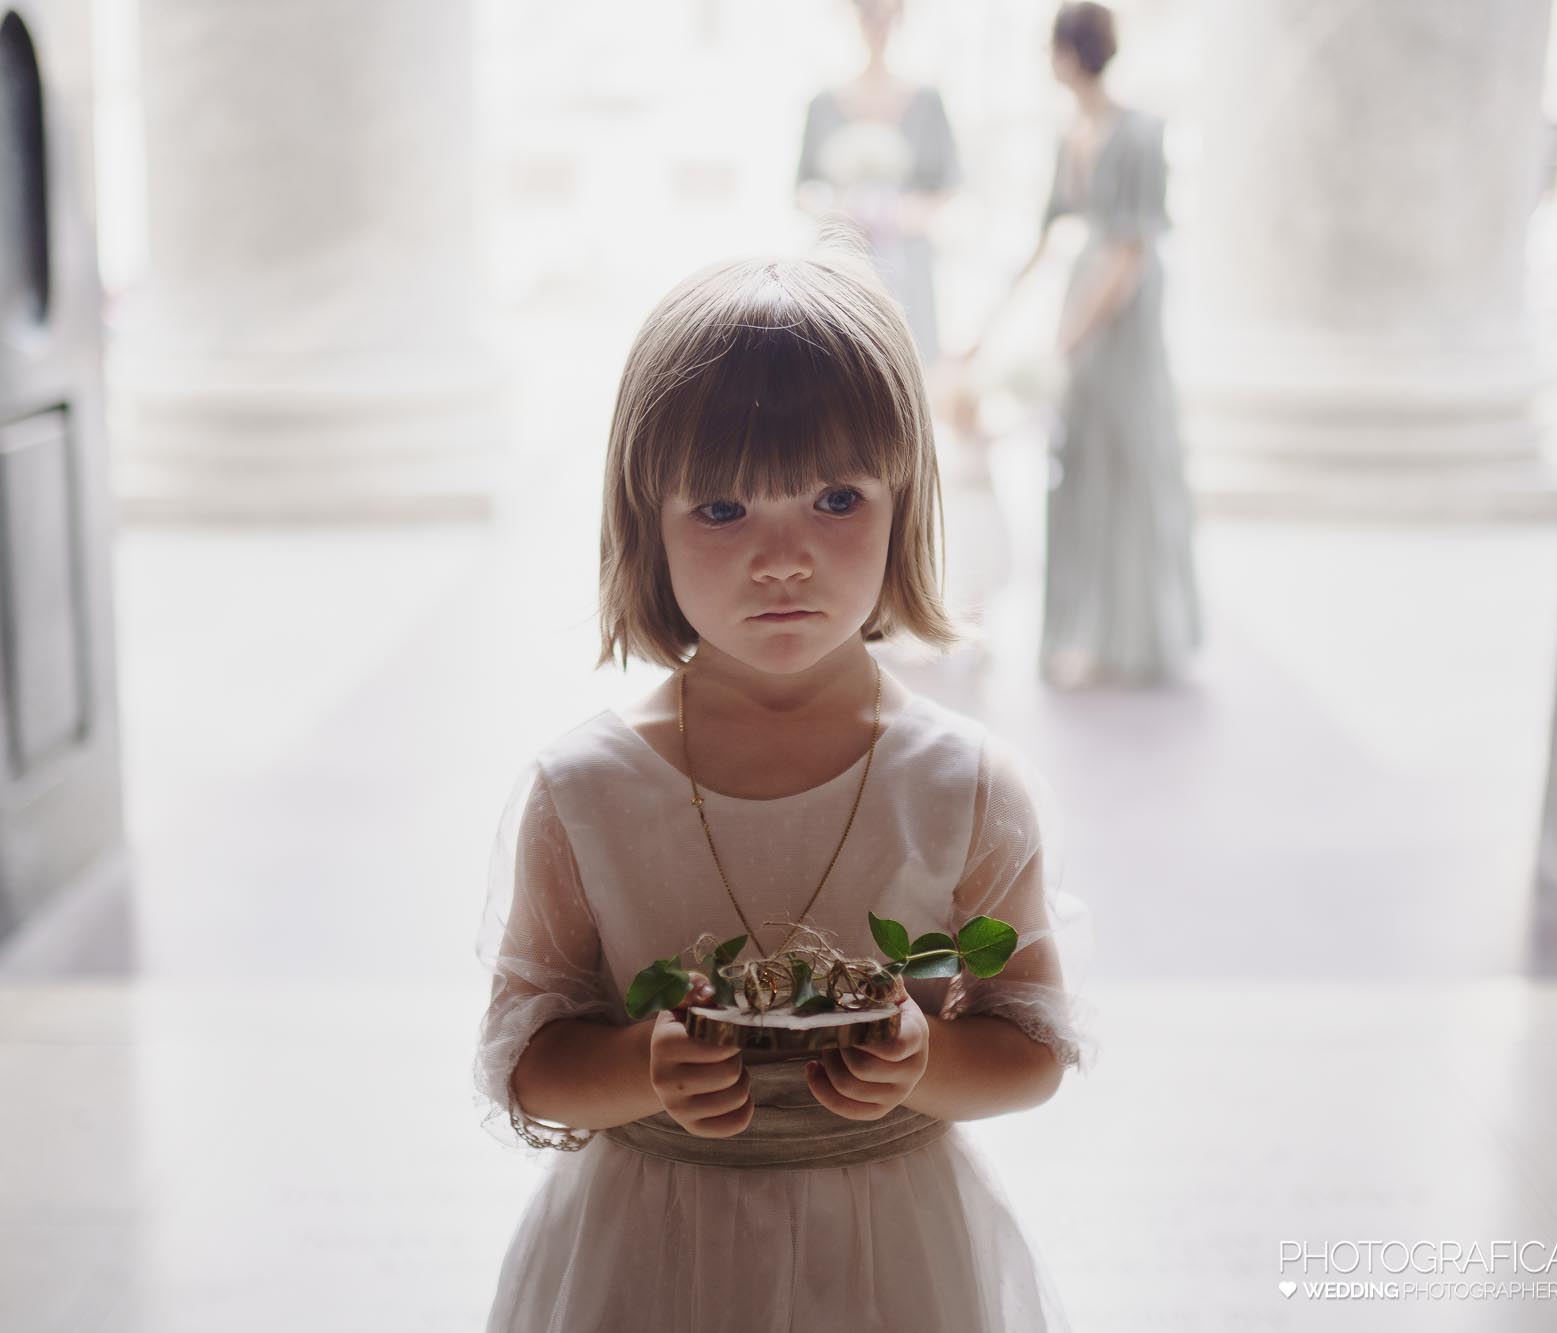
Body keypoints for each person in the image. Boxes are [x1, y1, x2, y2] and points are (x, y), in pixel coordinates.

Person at [472, 235, 1098, 1331]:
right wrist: (640, 1066)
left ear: (905, 505)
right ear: (644, 524)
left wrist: (922, 1061)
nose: (782, 556)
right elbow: (528, 1060)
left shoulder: (966, 787)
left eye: (834, 499)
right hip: (644, 1247)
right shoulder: (583, 795)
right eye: (721, 510)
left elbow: (1029, 1048)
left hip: (891, 1248)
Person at [968, 2, 1201, 687]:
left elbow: (1129, 254)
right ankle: (1083, 631)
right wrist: (986, 329)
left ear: (1071, 55)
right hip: (1081, 304)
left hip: (1121, 320)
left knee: (1129, 462)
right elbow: (1043, 241)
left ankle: (1135, 636)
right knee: (1077, 467)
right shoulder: (1069, 136)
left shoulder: (1141, 133)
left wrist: (1065, 341)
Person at [796, 0, 961, 365]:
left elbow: (947, 185)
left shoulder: (927, 101)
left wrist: (904, 215)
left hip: (907, 259)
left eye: (887, 15)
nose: (878, 26)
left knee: (909, 362)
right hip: (843, 255)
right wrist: (840, 214)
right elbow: (802, 188)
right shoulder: (824, 102)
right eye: (870, 14)